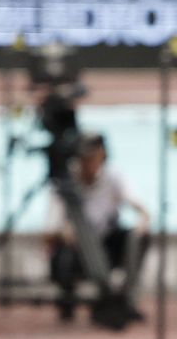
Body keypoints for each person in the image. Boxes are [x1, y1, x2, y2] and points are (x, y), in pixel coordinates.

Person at [47, 132, 149, 327]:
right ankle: (100, 295)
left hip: (106, 247)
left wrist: (143, 220)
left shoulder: (113, 177)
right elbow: (48, 233)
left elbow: (138, 205)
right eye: (83, 158)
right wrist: (64, 231)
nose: (88, 163)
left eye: (92, 157)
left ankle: (126, 299)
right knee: (78, 239)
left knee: (137, 237)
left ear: (102, 156)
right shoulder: (65, 183)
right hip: (74, 252)